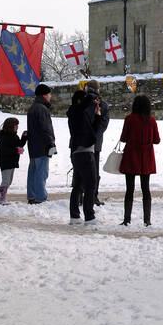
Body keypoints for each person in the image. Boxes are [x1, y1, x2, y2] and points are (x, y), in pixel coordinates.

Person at [119, 94, 161, 226]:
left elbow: (123, 138)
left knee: (129, 189)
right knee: (145, 189)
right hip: (146, 156)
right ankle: (147, 220)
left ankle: (127, 219)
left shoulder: (129, 119)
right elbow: (157, 140)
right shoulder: (152, 120)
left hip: (131, 155)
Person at [67, 85, 101, 224]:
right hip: (83, 152)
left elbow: (93, 131)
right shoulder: (75, 110)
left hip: (81, 151)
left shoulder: (80, 114)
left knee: (79, 185)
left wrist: (97, 116)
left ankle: (75, 216)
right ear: (80, 101)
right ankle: (89, 216)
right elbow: (84, 105)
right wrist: (92, 97)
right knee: (90, 183)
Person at [25, 84, 56, 204]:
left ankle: (31, 196)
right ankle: (40, 197)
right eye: (49, 94)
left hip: (33, 145)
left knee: (33, 172)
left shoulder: (33, 107)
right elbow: (45, 128)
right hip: (42, 145)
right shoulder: (42, 109)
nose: (50, 96)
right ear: (44, 95)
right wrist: (51, 143)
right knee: (41, 172)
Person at [0, 117, 28, 205]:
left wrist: (24, 137)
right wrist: (16, 150)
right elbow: (4, 150)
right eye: (15, 125)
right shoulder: (4, 137)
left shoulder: (14, 136)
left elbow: (19, 144)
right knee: (6, 180)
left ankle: (3, 196)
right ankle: (1, 199)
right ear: (10, 126)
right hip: (5, 162)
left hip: (12, 162)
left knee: (9, 181)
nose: (17, 127)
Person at [88, 79, 110, 206]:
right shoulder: (103, 105)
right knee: (94, 171)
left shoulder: (82, 102)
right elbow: (103, 125)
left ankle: (81, 195)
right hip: (95, 144)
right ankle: (93, 196)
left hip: (81, 142)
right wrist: (94, 137)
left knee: (80, 170)